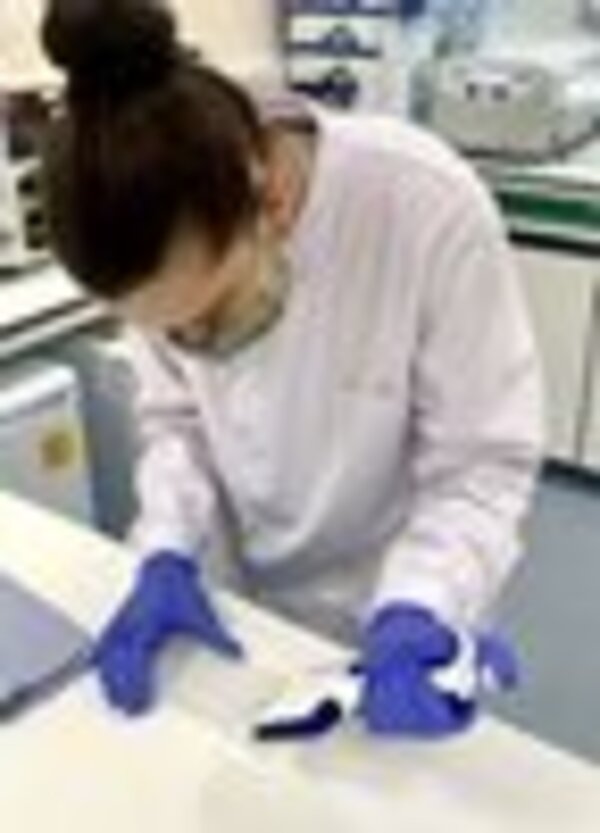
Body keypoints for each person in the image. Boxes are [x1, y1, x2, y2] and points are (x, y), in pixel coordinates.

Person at [40, 0, 543, 738]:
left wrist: (424, 602)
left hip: (410, 603)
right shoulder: (159, 226)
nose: (195, 348)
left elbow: (482, 463)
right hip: (256, 615)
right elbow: (177, 423)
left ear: (271, 199)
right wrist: (167, 547)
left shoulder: (424, 205)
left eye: (210, 316)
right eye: (167, 334)